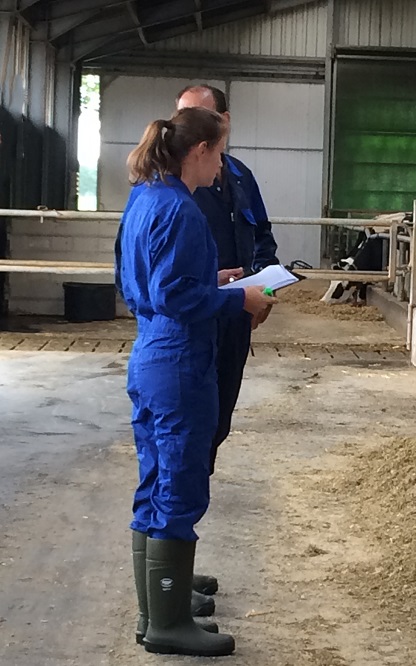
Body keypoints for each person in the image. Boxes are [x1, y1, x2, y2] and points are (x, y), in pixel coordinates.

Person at [116, 106, 275, 656]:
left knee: (154, 481)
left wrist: (212, 278)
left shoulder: (145, 197)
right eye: (220, 154)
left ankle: (156, 612)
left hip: (151, 352)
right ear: (201, 151)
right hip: (181, 358)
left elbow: (142, 282)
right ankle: (167, 625)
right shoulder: (182, 209)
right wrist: (239, 299)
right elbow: (175, 295)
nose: (222, 167)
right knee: (180, 486)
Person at [175, 84, 279, 477]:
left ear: (224, 123)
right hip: (196, 320)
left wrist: (264, 288)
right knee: (189, 426)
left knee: (219, 417)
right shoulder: (174, 188)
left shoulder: (238, 175)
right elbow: (162, 286)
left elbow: (262, 236)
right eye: (182, 118)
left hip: (236, 316)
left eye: (200, 117)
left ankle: (198, 487)